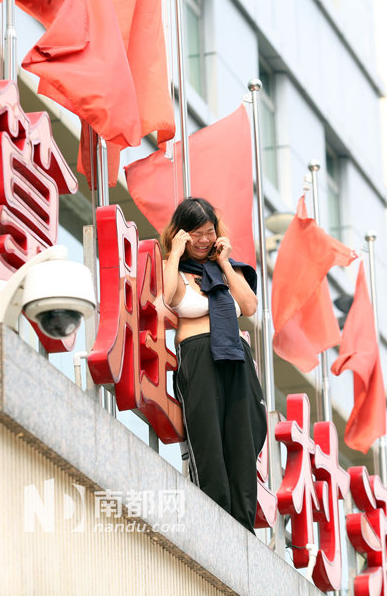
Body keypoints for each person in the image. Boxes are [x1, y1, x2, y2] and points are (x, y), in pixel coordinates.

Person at [160, 197, 267, 532]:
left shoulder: (228, 268)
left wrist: (224, 263)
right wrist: (175, 253)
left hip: (235, 356)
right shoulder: (173, 269)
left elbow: (249, 306)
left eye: (209, 232)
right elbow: (165, 298)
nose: (204, 240)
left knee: (243, 437)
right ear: (181, 233)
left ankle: (243, 526)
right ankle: (215, 521)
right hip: (198, 356)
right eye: (196, 234)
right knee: (208, 439)